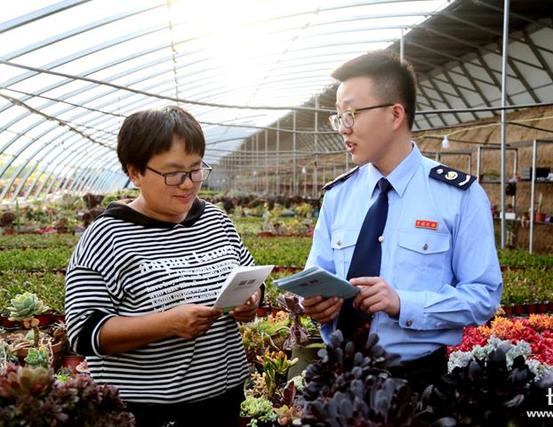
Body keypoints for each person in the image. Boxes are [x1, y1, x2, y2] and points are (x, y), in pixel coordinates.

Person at [302, 50, 502, 393]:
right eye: (338, 117)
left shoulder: (458, 196)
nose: (343, 129)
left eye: (350, 114)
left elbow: (483, 297)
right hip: (339, 375)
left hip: (416, 382)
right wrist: (318, 305)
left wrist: (404, 303)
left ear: (396, 114)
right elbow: (316, 276)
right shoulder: (339, 197)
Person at [65, 106, 260, 427]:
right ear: (135, 173)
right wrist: (167, 324)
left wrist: (250, 302)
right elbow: (85, 332)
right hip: (148, 411)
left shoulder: (216, 221)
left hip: (222, 399)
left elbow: (249, 279)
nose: (188, 184)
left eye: (196, 169)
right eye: (173, 173)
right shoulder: (107, 236)